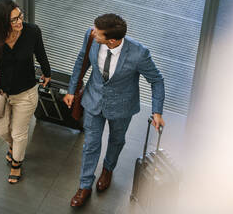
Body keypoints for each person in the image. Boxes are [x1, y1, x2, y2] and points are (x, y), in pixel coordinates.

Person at [63, 14, 165, 207]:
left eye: (97, 32)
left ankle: (108, 169)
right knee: (91, 144)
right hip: (93, 100)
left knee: (116, 140)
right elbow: (80, 60)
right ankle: (85, 185)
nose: (93, 32)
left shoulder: (138, 53)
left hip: (122, 106)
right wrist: (71, 90)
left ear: (111, 40)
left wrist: (157, 112)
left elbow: (157, 80)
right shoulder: (91, 36)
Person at [0, 0, 51, 184]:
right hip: (1, 93)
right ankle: (14, 146)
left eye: (20, 16)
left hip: (25, 93)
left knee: (19, 133)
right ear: (2, 22)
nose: (20, 21)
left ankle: (16, 164)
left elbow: (41, 54)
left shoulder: (32, 32)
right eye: (14, 20)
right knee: (0, 130)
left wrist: (47, 73)